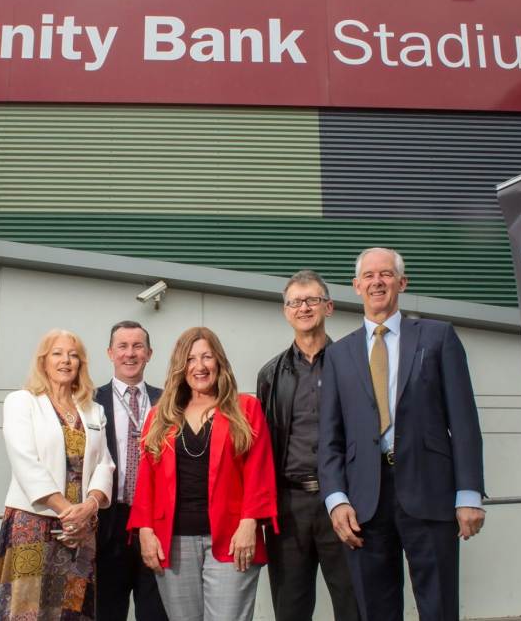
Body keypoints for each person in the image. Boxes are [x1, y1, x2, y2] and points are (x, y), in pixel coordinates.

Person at [318, 248, 486, 621]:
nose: (377, 282)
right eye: (370, 276)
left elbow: (464, 421)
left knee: (439, 606)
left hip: (430, 490)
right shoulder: (339, 355)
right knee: (376, 610)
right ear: (356, 285)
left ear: (402, 283)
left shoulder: (438, 337)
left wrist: (469, 493)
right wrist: (336, 499)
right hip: (364, 502)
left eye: (387, 274)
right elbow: (330, 437)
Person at [127, 327, 277, 621]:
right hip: (174, 541)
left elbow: (260, 470)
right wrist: (145, 531)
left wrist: (250, 524)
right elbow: (147, 480)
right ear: (181, 367)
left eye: (207, 357)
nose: (199, 366)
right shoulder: (160, 416)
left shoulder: (245, 408)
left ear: (219, 361)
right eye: (191, 359)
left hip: (231, 539)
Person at [0, 329, 115, 621]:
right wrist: (70, 514)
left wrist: (89, 510)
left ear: (81, 363)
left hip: (81, 531)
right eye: (57, 353)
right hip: (33, 525)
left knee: (72, 611)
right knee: (26, 611)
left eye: (73, 355)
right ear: (43, 361)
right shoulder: (21, 401)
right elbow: (25, 462)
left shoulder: (93, 410)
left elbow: (104, 465)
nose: (66, 361)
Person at [256, 270, 359, 621]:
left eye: (312, 300)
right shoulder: (271, 374)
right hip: (289, 506)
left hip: (344, 503)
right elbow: (264, 445)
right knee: (291, 608)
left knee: (354, 604)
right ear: (286, 311)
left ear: (328, 307)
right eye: (295, 302)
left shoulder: (353, 363)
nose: (304, 307)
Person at [94, 321, 168, 621]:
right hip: (108, 523)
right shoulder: (90, 401)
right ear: (110, 353)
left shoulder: (168, 402)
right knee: (106, 612)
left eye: (138, 346)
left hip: (155, 523)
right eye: (122, 346)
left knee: (156, 614)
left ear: (149, 353)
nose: (130, 353)